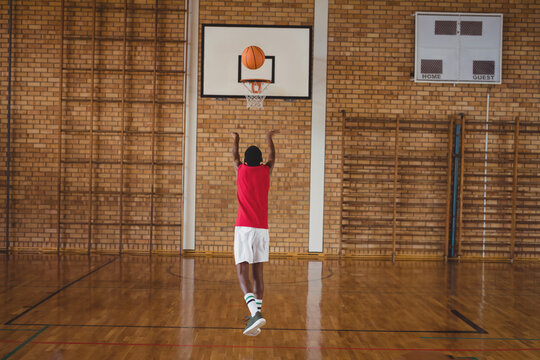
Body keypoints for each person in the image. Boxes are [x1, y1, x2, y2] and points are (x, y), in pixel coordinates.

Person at [230, 129, 279, 336]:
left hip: (243, 228)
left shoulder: (240, 170)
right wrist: (269, 138)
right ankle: (256, 314)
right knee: (257, 273)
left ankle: (254, 314)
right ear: (260, 162)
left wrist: (236, 139)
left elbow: (234, 156)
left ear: (245, 162)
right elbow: (272, 157)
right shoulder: (265, 171)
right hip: (261, 229)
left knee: (242, 271)